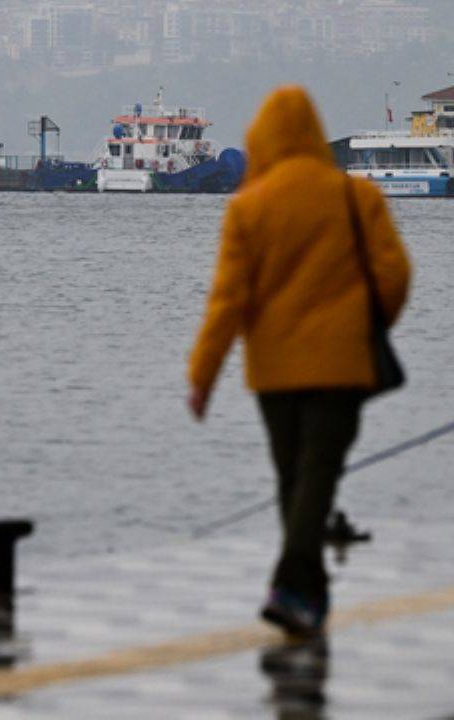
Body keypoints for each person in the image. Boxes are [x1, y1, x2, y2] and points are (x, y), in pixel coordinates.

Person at [186, 86, 411, 637]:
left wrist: (202, 376)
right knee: (316, 477)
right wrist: (367, 322)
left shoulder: (249, 206)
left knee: (294, 478)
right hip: (343, 365)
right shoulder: (356, 197)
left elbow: (228, 301)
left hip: (274, 371)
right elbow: (395, 276)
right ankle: (305, 593)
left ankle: (294, 589)